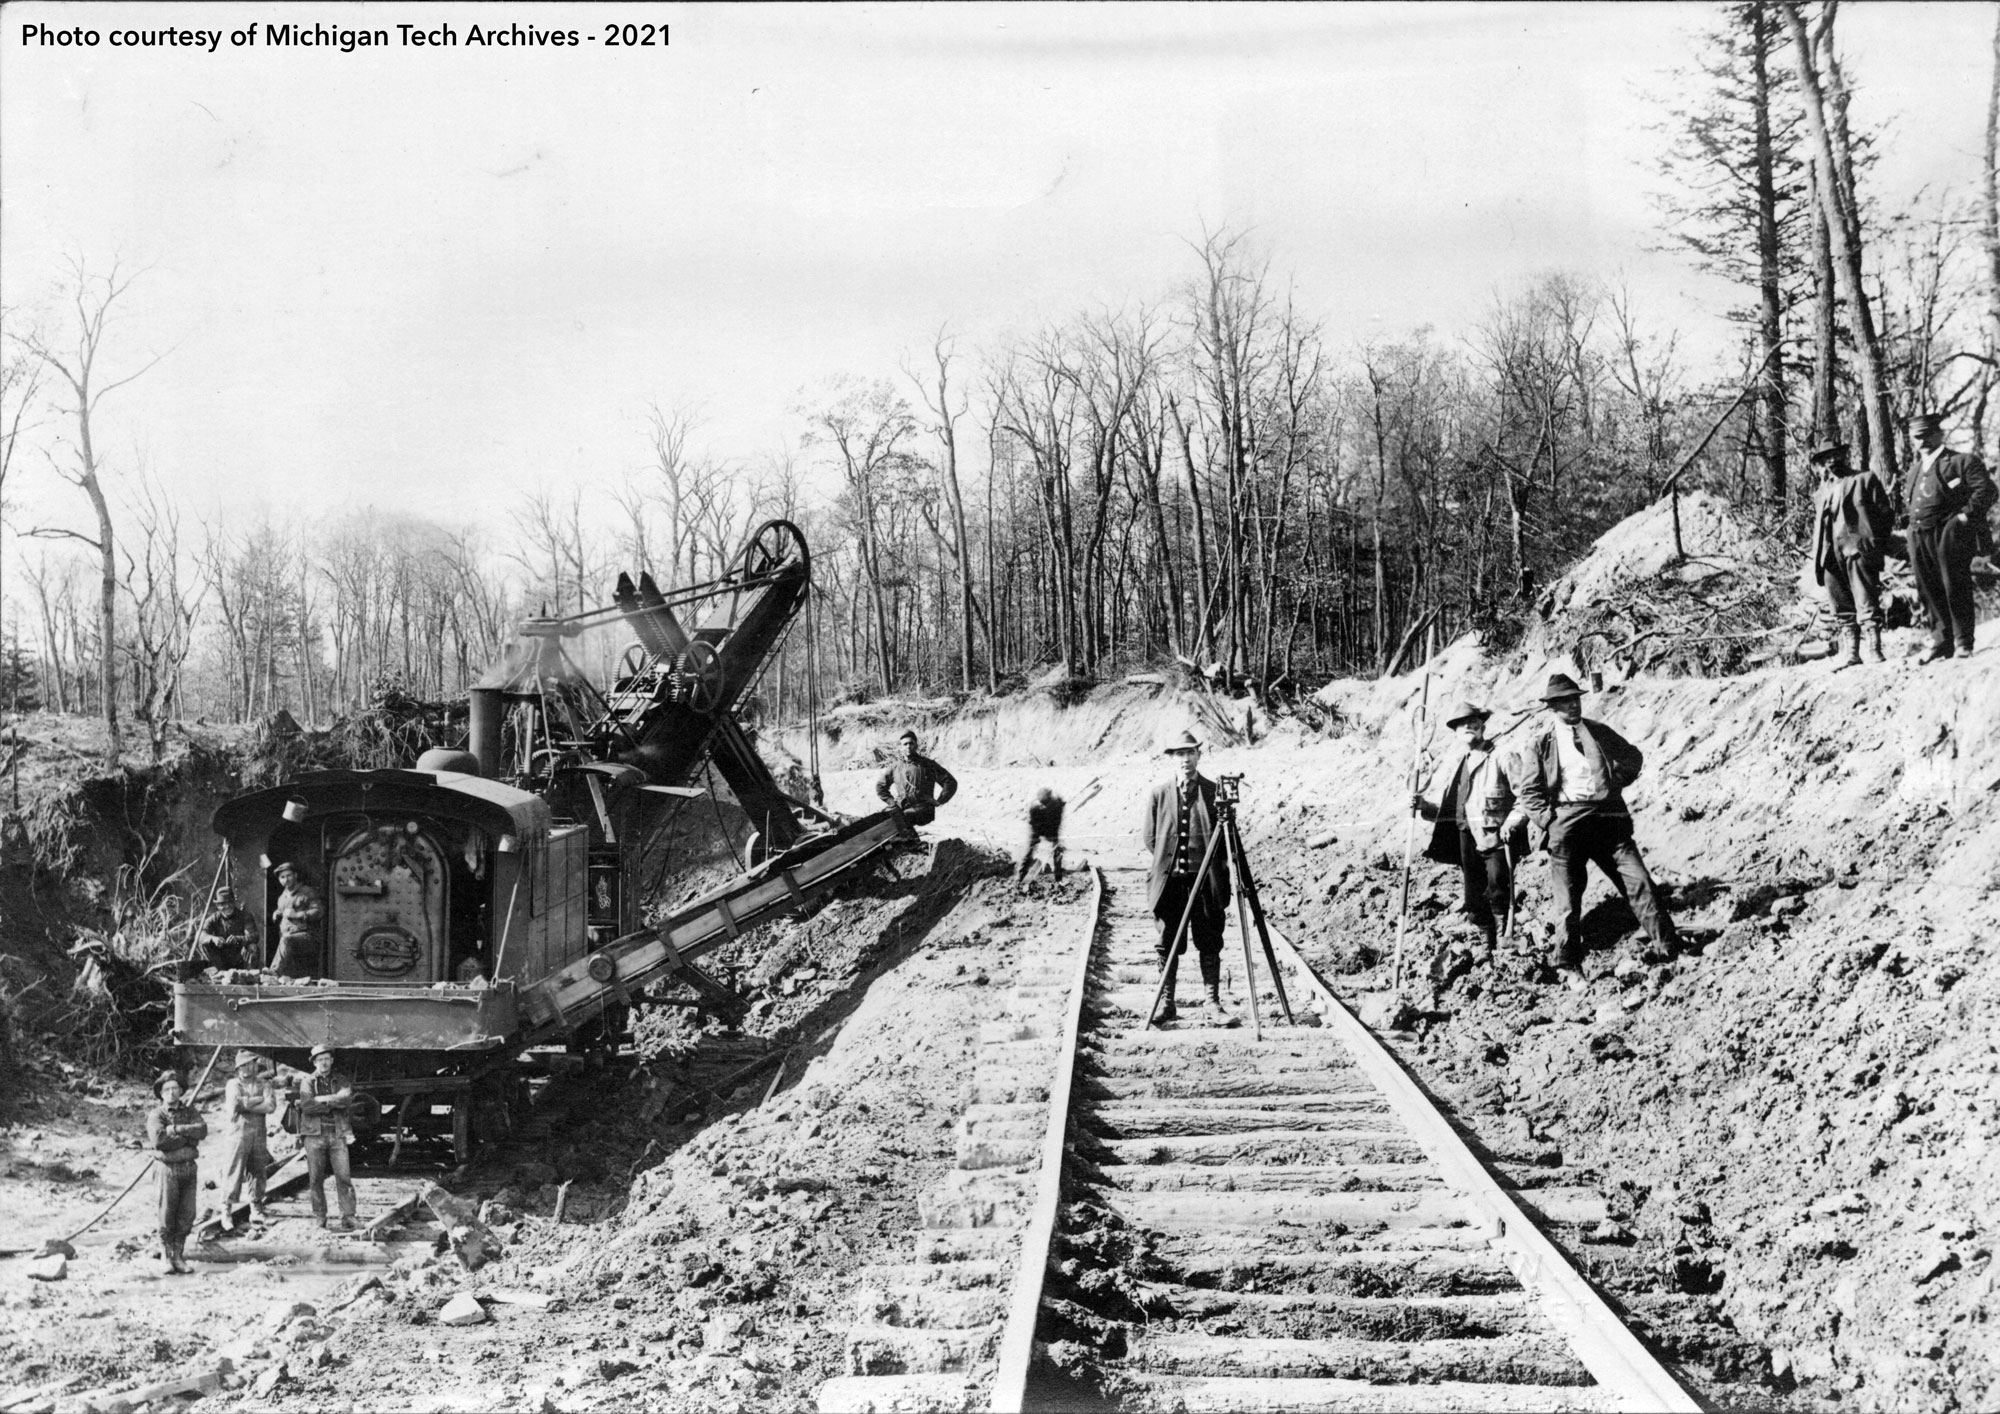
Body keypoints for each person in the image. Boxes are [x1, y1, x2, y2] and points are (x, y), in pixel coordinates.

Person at [1506, 674, 1678, 977]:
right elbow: (1529, 793)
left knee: (1639, 883)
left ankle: (1668, 948)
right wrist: (1550, 821)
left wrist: (1616, 782)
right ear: (1551, 707)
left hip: (1608, 819)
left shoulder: (1598, 732)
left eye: (1575, 699)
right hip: (1567, 823)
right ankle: (1567, 963)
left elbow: (1633, 757)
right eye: (1563, 702)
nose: (1572, 706)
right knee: (1568, 901)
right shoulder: (1541, 744)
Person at [1411, 702, 1521, 956]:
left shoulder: (1502, 756)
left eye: (1473, 723)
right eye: (1462, 725)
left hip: (1495, 836)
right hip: (1465, 836)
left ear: (1482, 726)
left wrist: (1512, 822)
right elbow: (1451, 809)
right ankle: (1487, 942)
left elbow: (1526, 795)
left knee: (1498, 886)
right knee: (1473, 896)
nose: (1469, 727)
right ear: (1456, 733)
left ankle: (1506, 940)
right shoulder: (1460, 765)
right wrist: (1423, 805)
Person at [1140, 731, 1232, 1024]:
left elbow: (1226, 838)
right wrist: (1171, 862)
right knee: (1168, 941)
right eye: (1179, 755)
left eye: (1190, 753)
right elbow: (1151, 839)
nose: (1185, 760)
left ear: (1198, 756)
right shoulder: (1158, 795)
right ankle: (1167, 1003)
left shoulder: (1213, 790)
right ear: (1172, 759)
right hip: (1172, 884)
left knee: (1209, 940)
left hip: (1206, 883)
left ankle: (1212, 1003)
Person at [1902, 409, 1995, 663]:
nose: (1921, 441)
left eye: (1926, 435)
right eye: (1916, 437)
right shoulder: (1914, 471)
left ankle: (1964, 641)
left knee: (1954, 584)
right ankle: (1942, 642)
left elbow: (1986, 491)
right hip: (1920, 535)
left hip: (1949, 534)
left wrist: (1963, 517)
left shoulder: (1961, 461)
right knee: (1927, 587)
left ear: (1938, 434)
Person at [1809, 441, 1896, 669]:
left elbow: (1885, 514)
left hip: (1857, 551)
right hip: (1829, 555)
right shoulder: (1821, 493)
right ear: (1821, 464)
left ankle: (1875, 651)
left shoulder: (1864, 479)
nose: (1832, 461)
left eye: (1835, 455)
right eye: (1826, 458)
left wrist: (1871, 543)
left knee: (1866, 599)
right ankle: (1852, 655)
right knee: (1841, 605)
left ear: (1843, 455)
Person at [288, 1044, 357, 1230]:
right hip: (313, 1135)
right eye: (320, 1060)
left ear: (332, 1060)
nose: (324, 1063)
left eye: (326, 1059)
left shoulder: (341, 1079)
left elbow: (347, 1099)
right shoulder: (307, 1081)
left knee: (344, 1177)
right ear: (314, 1062)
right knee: (315, 1177)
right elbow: (307, 1105)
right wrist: (332, 1102)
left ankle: (348, 1216)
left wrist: (322, 1099)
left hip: (337, 1133)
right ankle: (320, 1215)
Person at [145, 1070, 207, 1275]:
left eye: (175, 1089)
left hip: (188, 1168)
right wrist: (187, 1139)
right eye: (167, 1089)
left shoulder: (189, 1111)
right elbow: (160, 1141)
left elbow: (202, 1131)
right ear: (161, 1093)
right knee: (166, 1213)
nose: (172, 1093)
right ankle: (166, 1256)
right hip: (167, 1169)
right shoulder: (157, 1115)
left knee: (187, 1213)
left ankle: (179, 1256)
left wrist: (177, 1130)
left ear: (181, 1091)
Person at [221, 1050, 277, 1226]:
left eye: (250, 1063)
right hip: (238, 1134)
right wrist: (256, 1100)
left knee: (258, 1171)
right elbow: (234, 1105)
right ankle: (226, 1211)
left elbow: (270, 1106)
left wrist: (247, 1103)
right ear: (238, 1068)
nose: (247, 1068)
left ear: (255, 1065)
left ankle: (256, 1209)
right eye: (243, 1065)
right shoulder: (233, 1084)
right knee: (233, 1170)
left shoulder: (264, 1083)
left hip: (259, 1134)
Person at [875, 730, 958, 827]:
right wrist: (892, 803)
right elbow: (880, 786)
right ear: (900, 747)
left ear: (916, 745)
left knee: (897, 821)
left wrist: (940, 800)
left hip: (923, 809)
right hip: (902, 807)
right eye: (905, 744)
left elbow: (950, 782)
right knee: (879, 819)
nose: (908, 746)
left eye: (911, 743)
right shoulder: (895, 767)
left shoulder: (928, 764)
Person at [269, 862, 323, 978]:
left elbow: (318, 911)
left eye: (289, 876)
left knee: (286, 939)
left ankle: (274, 971)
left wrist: (297, 914)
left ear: (295, 875)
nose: (286, 880)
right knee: (285, 940)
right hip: (289, 938)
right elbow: (282, 910)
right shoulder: (282, 897)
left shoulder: (307, 892)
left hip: (307, 936)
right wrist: (277, 913)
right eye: (282, 877)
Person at [197, 886, 259, 973]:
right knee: (204, 944)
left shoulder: (245, 916)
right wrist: (213, 938)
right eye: (223, 904)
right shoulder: (214, 918)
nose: (227, 906)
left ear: (234, 902)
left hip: (240, 959)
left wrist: (238, 939)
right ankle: (218, 973)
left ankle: (249, 976)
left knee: (252, 947)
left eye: (230, 902)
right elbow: (200, 935)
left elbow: (254, 936)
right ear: (218, 906)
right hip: (220, 961)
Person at [1017, 788, 1067, 886]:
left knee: (1058, 851)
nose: (1044, 804)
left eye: (1046, 802)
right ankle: (1021, 875)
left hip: (1051, 828)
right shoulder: (1034, 808)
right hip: (1037, 827)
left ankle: (1058, 878)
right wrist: (1038, 839)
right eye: (1042, 803)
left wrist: (1054, 841)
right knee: (1030, 848)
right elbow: (1034, 825)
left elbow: (1057, 823)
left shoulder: (1056, 805)